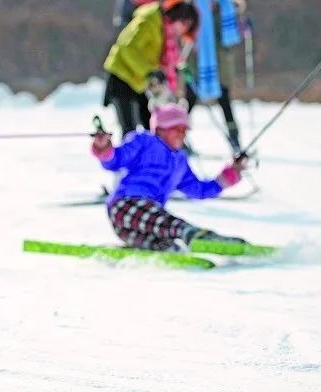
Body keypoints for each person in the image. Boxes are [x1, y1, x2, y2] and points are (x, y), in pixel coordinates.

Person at [90, 104, 246, 251]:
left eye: (185, 130)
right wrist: (103, 147)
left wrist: (228, 175)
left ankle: (166, 252)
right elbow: (116, 160)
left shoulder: (180, 162)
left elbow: (198, 190)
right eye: (177, 129)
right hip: (126, 204)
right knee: (174, 227)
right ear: (161, 129)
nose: (182, 134)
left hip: (144, 218)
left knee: (167, 245)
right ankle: (202, 237)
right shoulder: (144, 141)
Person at [103, 0, 199, 136]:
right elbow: (127, 48)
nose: (183, 30)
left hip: (139, 81)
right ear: (178, 15)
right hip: (121, 75)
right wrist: (150, 71)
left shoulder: (165, 30)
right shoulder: (150, 21)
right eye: (185, 24)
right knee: (129, 131)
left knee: (151, 126)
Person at [181, 0, 245, 153]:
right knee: (189, 99)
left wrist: (243, 25)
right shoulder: (192, 6)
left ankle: (234, 139)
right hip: (196, 60)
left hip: (220, 62)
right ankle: (177, 136)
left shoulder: (226, 6)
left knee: (225, 101)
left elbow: (233, 33)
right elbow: (183, 28)